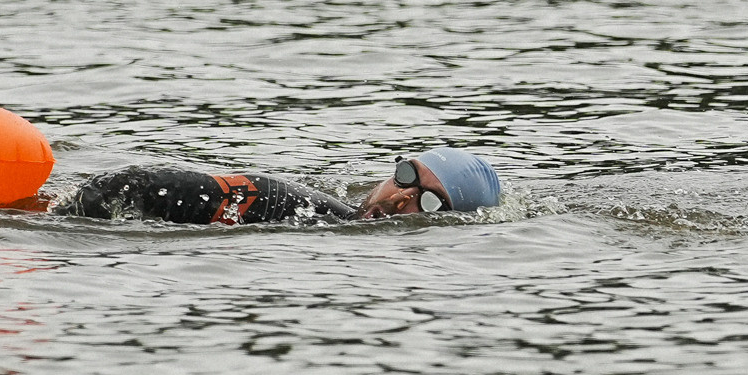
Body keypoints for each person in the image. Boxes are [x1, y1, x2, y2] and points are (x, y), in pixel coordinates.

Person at [54, 148, 503, 225]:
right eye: (408, 177)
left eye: (427, 202)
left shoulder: (316, 220)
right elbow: (119, 188)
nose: (401, 197)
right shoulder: (293, 202)